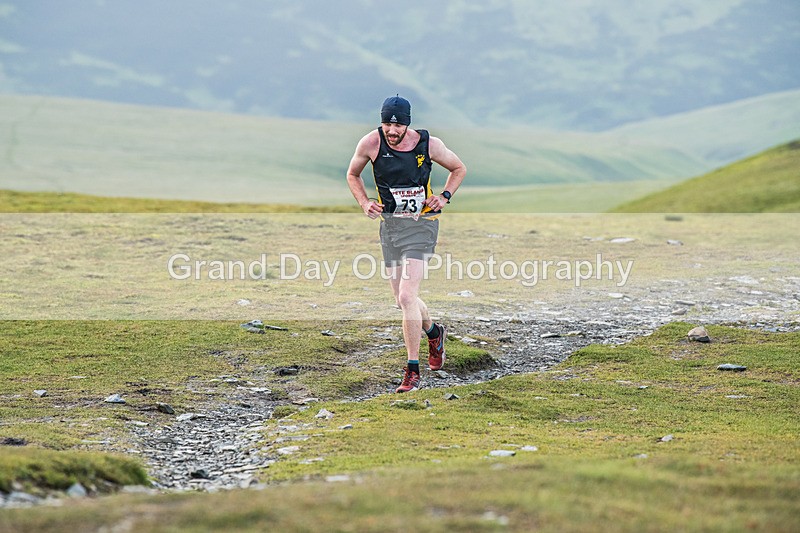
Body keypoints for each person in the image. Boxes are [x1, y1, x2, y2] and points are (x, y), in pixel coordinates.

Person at [346, 95, 467, 393]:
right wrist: (364, 203)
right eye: (386, 123)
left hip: (422, 226)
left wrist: (444, 196)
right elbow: (353, 174)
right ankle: (434, 333)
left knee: (406, 295)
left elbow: (459, 168)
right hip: (390, 228)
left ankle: (412, 371)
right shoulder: (370, 144)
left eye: (397, 125)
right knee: (402, 300)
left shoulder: (429, 144)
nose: (391, 130)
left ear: (407, 125)